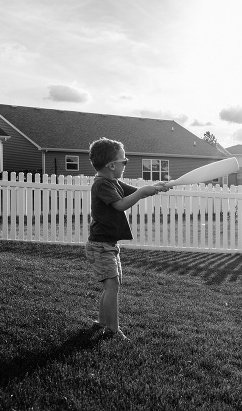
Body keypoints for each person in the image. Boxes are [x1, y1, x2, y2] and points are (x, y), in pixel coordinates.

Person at [85, 137, 168, 340]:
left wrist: (155, 187)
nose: (125, 164)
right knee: (112, 285)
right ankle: (113, 329)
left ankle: (102, 322)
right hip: (100, 246)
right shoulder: (102, 185)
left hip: (108, 245)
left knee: (111, 284)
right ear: (112, 165)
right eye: (125, 161)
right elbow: (121, 204)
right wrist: (141, 192)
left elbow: (134, 192)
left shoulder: (112, 182)